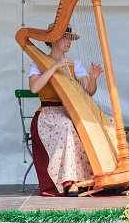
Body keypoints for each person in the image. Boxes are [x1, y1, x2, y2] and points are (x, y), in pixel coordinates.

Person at [28, 24, 99, 197]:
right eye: (65, 37)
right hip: (48, 115)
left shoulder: (75, 65)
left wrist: (93, 79)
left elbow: (88, 92)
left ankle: (94, 178)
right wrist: (54, 67)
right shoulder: (38, 63)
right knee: (67, 126)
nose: (69, 42)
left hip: (70, 111)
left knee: (105, 123)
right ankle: (69, 182)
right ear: (52, 40)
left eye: (70, 38)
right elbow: (34, 88)